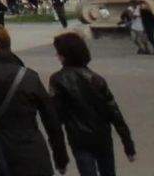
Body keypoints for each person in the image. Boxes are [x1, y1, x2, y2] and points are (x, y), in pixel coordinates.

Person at [0, 24, 68, 176]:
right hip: (32, 150)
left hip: (1, 152)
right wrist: (60, 157)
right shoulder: (29, 76)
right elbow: (51, 120)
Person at [48, 31, 136, 176]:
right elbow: (115, 114)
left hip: (79, 139)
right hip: (102, 137)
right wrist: (128, 145)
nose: (57, 56)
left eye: (58, 53)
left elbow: (56, 122)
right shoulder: (96, 79)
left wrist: (60, 159)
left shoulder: (58, 80)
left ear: (64, 55)